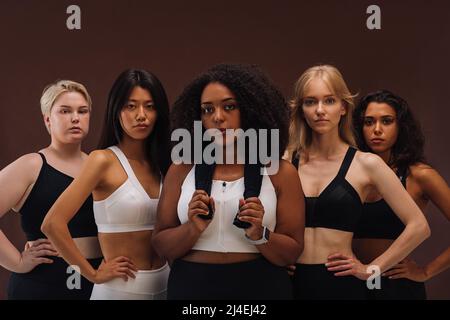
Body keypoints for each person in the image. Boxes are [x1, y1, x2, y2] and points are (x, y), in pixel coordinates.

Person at [152, 63, 304, 300]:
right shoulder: (182, 169)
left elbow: (291, 253)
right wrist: (192, 229)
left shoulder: (279, 171)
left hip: (260, 288)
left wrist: (260, 233)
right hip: (192, 289)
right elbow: (161, 245)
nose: (218, 117)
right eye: (207, 110)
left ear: (251, 110)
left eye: (229, 107)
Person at [287, 65, 430, 300]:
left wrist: (372, 269)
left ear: (343, 107)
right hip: (291, 284)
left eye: (329, 101)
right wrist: (275, 258)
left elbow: (419, 226)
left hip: (341, 286)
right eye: (310, 102)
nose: (320, 110)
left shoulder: (366, 164)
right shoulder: (286, 160)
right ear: (301, 110)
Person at [42, 69, 171, 300]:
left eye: (149, 106)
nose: (141, 115)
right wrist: (91, 274)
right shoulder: (102, 160)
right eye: (131, 106)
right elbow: (52, 223)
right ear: (116, 110)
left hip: (166, 285)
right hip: (120, 290)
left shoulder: (165, 165)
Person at [0, 80, 102, 299]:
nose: (75, 118)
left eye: (82, 111)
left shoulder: (99, 165)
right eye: (65, 111)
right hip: (43, 284)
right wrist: (17, 262)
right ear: (48, 119)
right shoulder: (32, 165)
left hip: (96, 280)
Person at [352, 90, 450, 299]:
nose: (376, 130)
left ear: (400, 127)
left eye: (386, 121)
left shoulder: (419, 175)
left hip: (395, 286)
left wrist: (425, 272)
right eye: (369, 122)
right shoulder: (348, 173)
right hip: (349, 281)